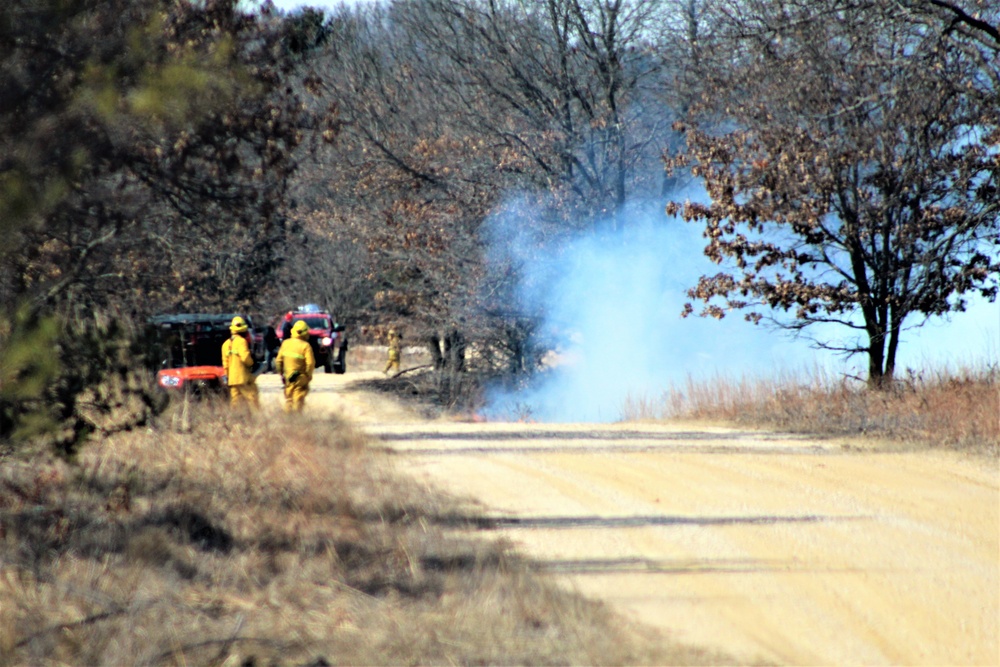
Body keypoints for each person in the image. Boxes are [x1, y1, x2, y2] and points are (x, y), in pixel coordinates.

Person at [275, 319, 315, 413]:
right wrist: (308, 375)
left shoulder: (285, 343)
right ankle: (297, 420)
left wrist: (281, 374)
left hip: (288, 377)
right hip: (300, 378)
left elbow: (278, 361)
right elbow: (310, 363)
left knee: (289, 400)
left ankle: (288, 420)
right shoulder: (306, 346)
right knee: (298, 399)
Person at [221, 316, 259, 411]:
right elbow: (245, 358)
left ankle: (236, 420)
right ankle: (258, 419)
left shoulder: (225, 344)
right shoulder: (242, 342)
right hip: (243, 378)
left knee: (235, 402)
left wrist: (228, 376)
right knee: (252, 399)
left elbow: (225, 364)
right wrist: (252, 364)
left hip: (232, 380)